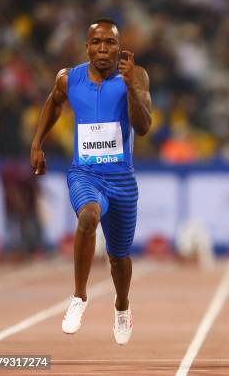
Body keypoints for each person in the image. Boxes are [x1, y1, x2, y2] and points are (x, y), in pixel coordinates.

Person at [30, 18, 152, 344]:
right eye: (96, 42)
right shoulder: (69, 78)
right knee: (88, 217)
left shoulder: (135, 76)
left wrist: (130, 88)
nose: (103, 48)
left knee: (119, 258)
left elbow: (143, 127)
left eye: (109, 42)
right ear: (87, 46)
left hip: (122, 180)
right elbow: (53, 103)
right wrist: (37, 143)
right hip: (85, 173)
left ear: (119, 46)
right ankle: (79, 297)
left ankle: (122, 306)